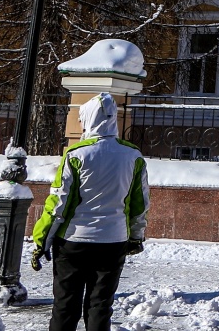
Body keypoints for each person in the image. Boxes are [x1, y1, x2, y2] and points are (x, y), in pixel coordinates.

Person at [31, 93, 149, 331]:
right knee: (100, 306)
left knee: (65, 305)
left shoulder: (75, 155)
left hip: (74, 241)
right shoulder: (133, 156)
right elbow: (140, 204)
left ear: (89, 119)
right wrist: (136, 237)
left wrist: (41, 240)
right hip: (114, 240)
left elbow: (58, 203)